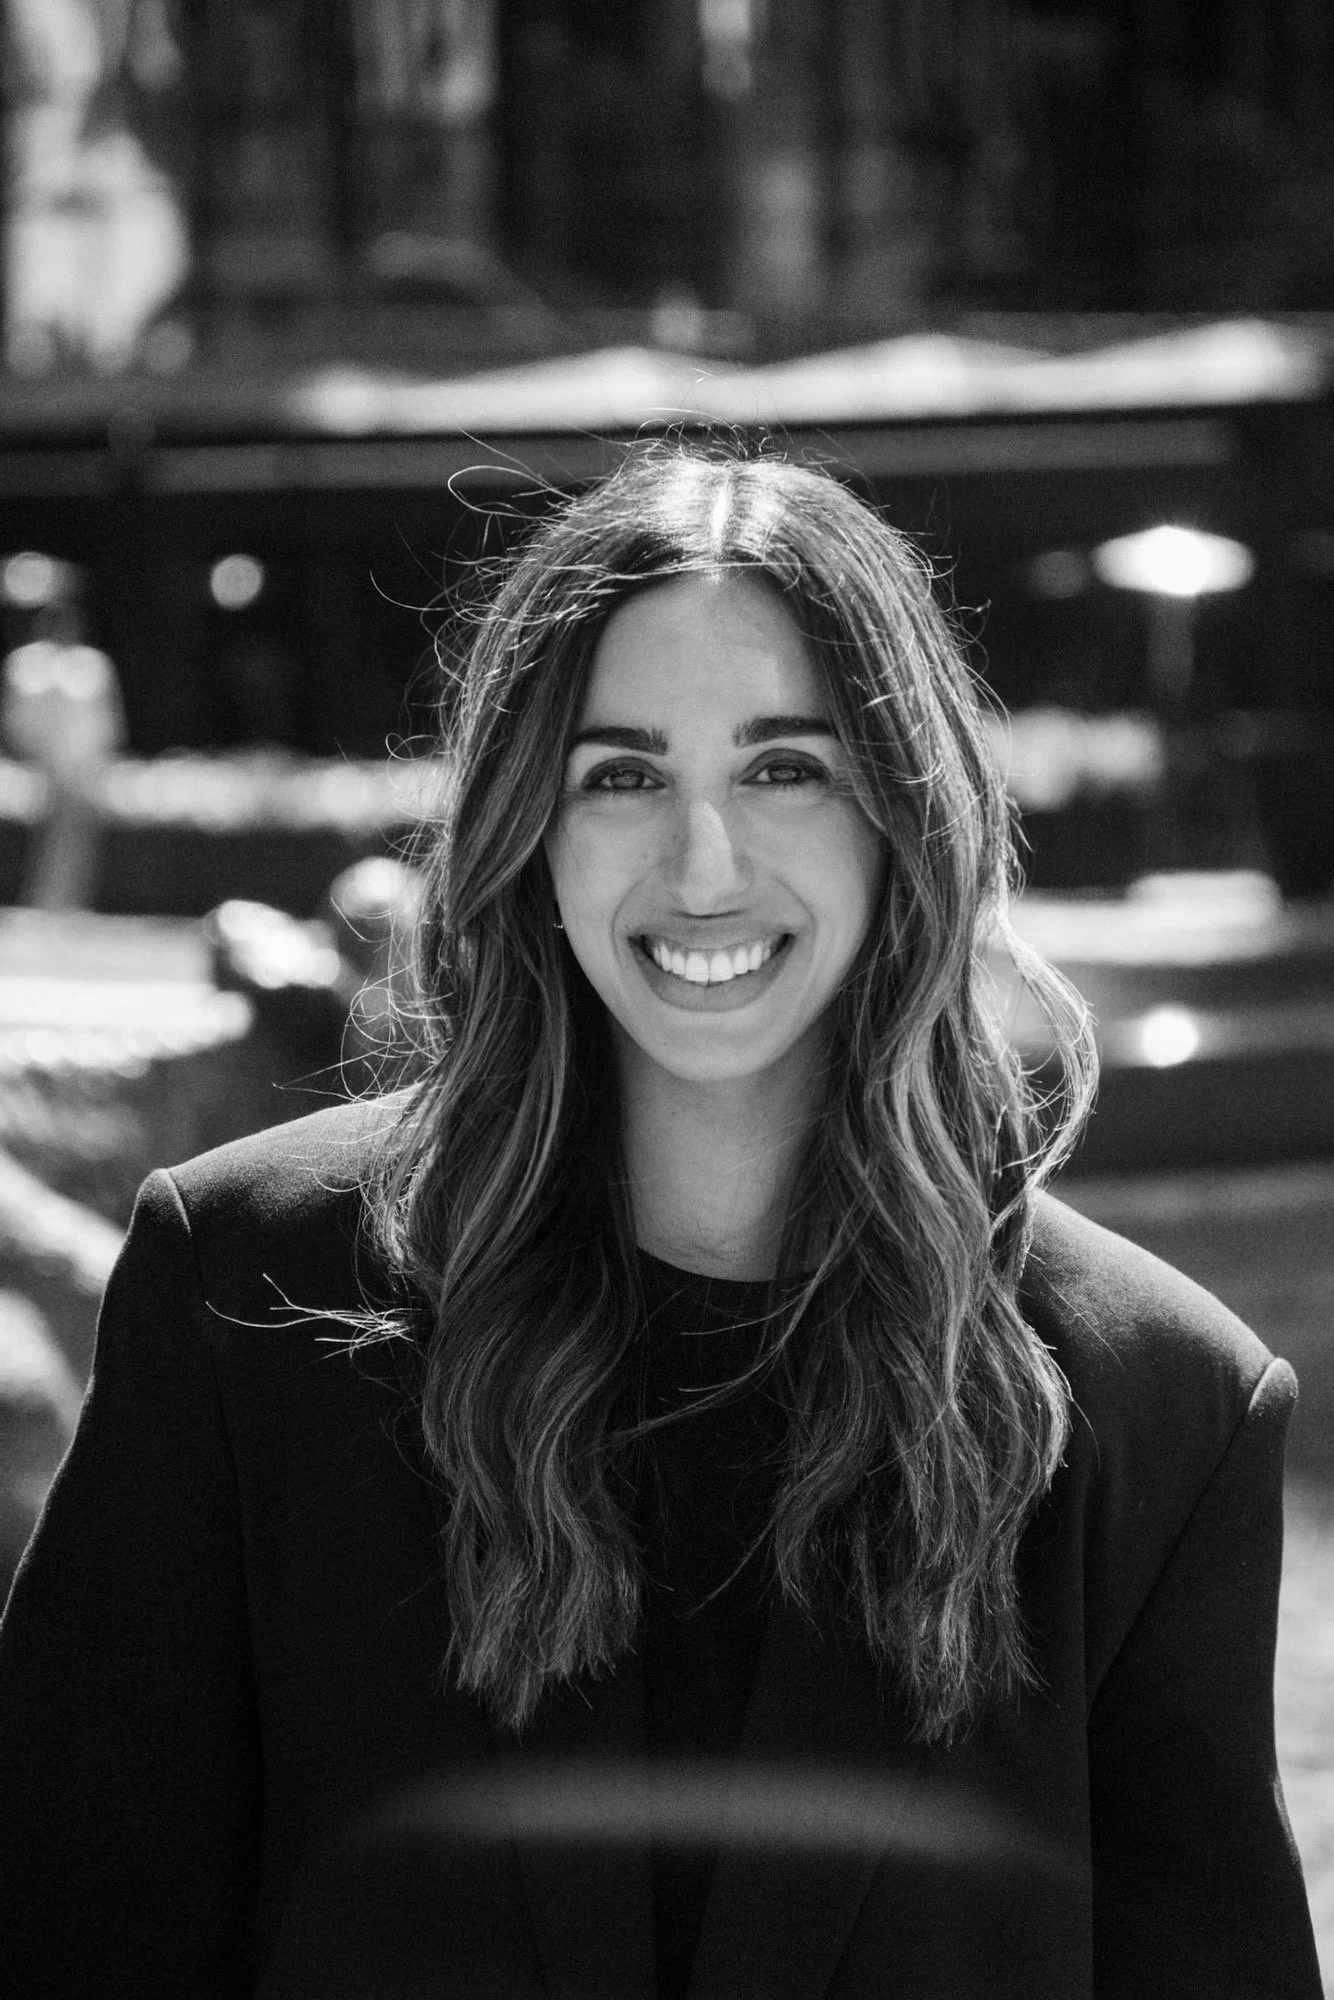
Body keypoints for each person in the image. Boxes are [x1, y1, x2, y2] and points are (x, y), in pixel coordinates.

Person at [0, 442, 1320, 1999]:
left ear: (904, 814)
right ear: (530, 827)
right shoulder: (244, 1290)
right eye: (620, 775)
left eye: (785, 768)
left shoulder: (1163, 1402)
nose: (704, 867)